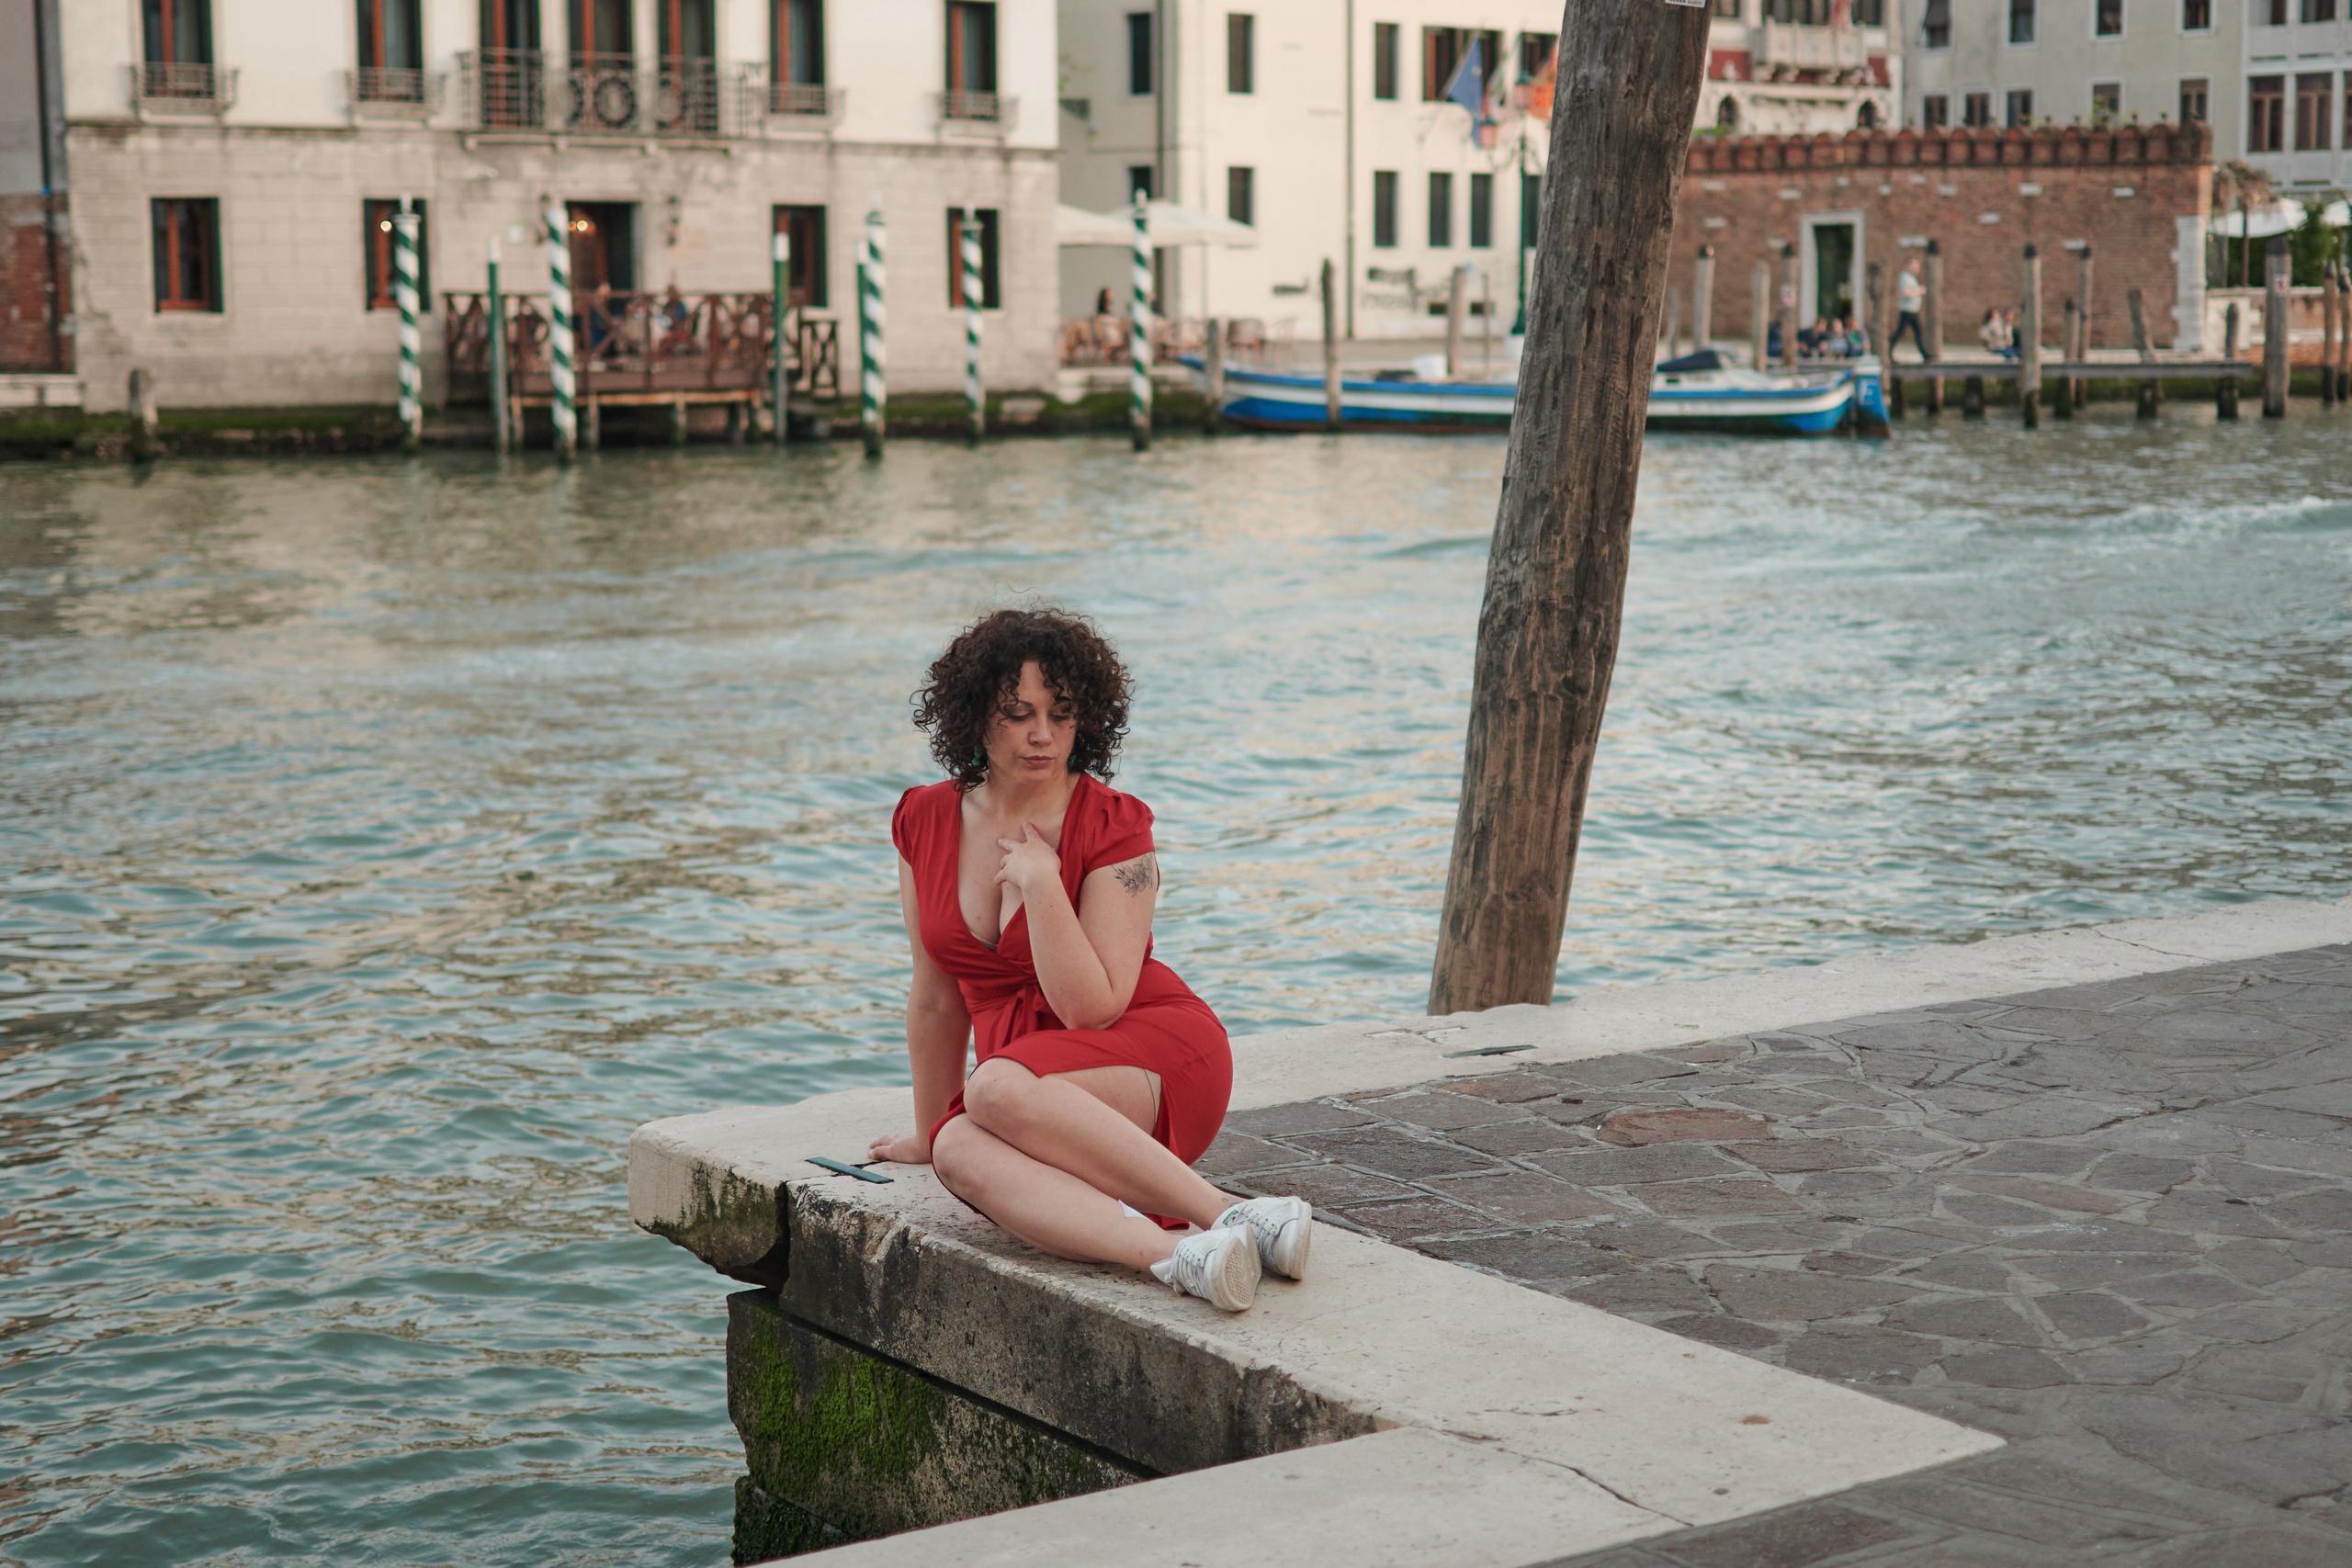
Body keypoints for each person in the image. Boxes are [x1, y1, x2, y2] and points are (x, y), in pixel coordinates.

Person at [871, 609, 1310, 1314]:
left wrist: (1044, 884)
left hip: (1148, 1056)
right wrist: (927, 1132)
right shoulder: (922, 818)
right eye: (1018, 714)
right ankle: (1181, 1257)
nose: (1042, 734)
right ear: (975, 715)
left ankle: (1232, 1212)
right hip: (1028, 1089)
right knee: (957, 1147)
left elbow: (1091, 1007)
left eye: (1061, 713)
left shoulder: (1115, 825)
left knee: (990, 1090)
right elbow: (936, 999)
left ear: (1087, 718)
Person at [1892, 259, 1929, 360]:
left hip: (1913, 310)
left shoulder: (1911, 278)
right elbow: (1906, 293)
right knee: (1900, 332)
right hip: (1907, 310)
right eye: (1915, 267)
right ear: (1909, 266)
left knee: (1918, 332)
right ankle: (1888, 351)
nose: (1917, 270)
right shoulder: (1905, 278)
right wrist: (1919, 291)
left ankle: (1925, 354)